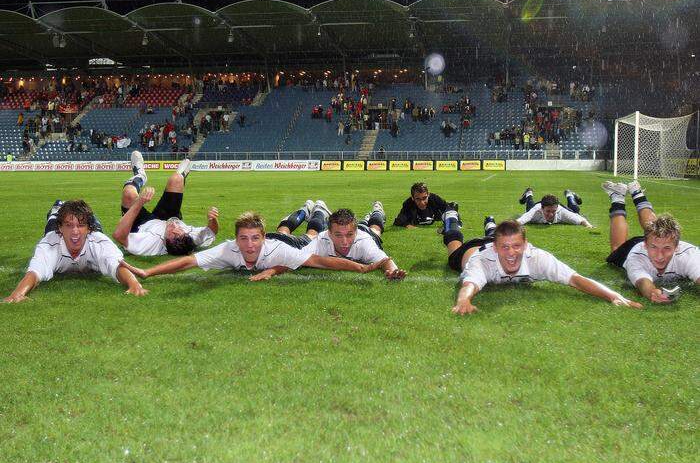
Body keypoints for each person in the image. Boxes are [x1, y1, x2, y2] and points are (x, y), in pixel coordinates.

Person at [437, 205, 641, 315]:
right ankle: (451, 216)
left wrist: (613, 295)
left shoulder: (537, 258)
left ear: (526, 245)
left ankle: (491, 224)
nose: (511, 253)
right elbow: (470, 284)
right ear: (495, 248)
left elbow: (575, 279)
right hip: (471, 251)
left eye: (517, 246)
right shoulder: (483, 261)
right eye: (505, 248)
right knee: (453, 244)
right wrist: (464, 300)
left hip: (495, 238)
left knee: (497, 233)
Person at [122, 211, 387, 282]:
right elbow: (188, 262)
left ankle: (314, 209)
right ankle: (309, 210)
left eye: (255, 238)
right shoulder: (228, 250)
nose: (249, 245)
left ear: (262, 238)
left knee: (307, 236)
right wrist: (148, 272)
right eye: (244, 239)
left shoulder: (276, 250)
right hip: (287, 237)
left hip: (292, 242)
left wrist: (359, 269)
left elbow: (319, 261)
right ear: (236, 239)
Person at [3, 199, 147, 303]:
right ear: (60, 228)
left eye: (81, 225)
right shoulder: (49, 243)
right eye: (68, 225)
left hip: (93, 232)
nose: (75, 232)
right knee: (53, 221)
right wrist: (18, 293)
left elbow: (116, 265)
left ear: (88, 228)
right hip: (55, 233)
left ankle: (81, 217)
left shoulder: (98, 241)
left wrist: (134, 284)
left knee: (87, 222)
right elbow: (35, 271)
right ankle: (56, 209)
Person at [602, 180, 699, 302]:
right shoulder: (636, 257)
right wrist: (652, 293)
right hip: (633, 248)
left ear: (677, 247)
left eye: (667, 249)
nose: (659, 256)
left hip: (655, 240)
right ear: (645, 246)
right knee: (617, 248)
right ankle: (617, 197)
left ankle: (637, 193)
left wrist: (655, 246)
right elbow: (642, 282)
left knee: (652, 227)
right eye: (653, 248)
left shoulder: (689, 255)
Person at [112, 151, 218, 256]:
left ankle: (140, 175)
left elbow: (118, 236)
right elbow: (211, 231)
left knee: (129, 193)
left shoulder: (150, 243)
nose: (175, 226)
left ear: (165, 241)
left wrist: (140, 202)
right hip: (167, 217)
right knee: (176, 179)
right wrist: (212, 220)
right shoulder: (189, 238)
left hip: (143, 225)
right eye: (180, 230)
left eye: (172, 232)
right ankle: (181, 176)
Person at [275, 200, 406, 280]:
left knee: (375, 230)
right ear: (329, 233)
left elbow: (385, 260)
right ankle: (365, 218)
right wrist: (272, 270)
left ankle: (377, 210)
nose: (344, 241)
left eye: (349, 235)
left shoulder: (364, 241)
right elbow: (296, 258)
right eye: (338, 235)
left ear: (355, 233)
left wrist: (393, 271)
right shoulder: (322, 239)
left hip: (365, 232)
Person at [516, 187, 593, 228]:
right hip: (537, 206)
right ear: (542, 209)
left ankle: (569, 194)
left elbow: (581, 220)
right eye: (548, 211)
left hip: (558, 205)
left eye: (553, 211)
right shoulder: (536, 211)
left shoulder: (562, 212)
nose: (551, 214)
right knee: (529, 209)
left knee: (576, 212)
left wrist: (588, 225)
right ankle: (529, 193)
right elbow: (520, 221)